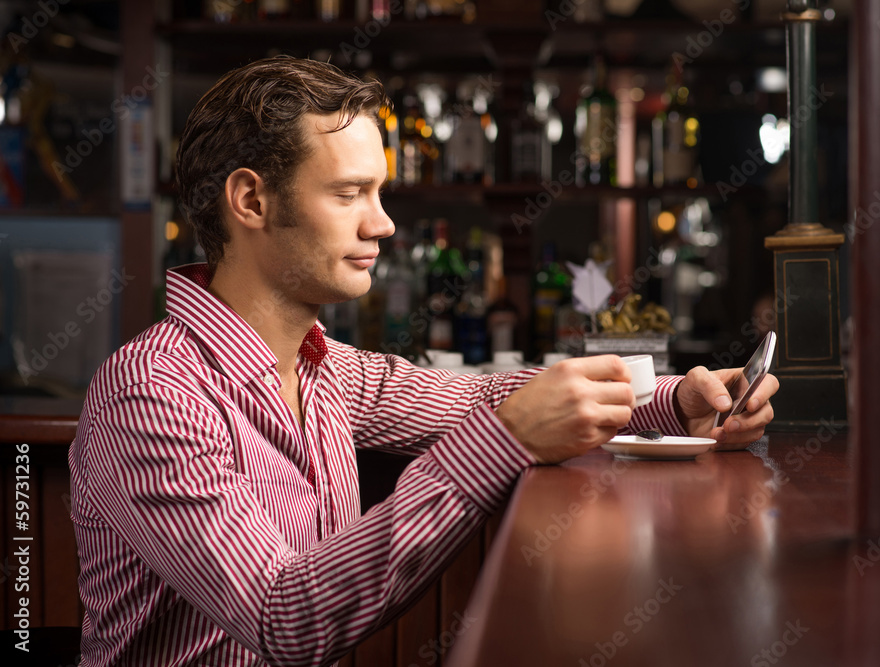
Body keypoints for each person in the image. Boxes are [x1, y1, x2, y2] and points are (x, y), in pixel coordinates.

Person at [69, 56, 778, 666]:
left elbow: (485, 396)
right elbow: (284, 617)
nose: (381, 224)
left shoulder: (326, 370)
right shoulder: (151, 392)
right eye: (349, 194)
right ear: (251, 200)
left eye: (379, 193)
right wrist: (505, 439)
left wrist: (676, 400)